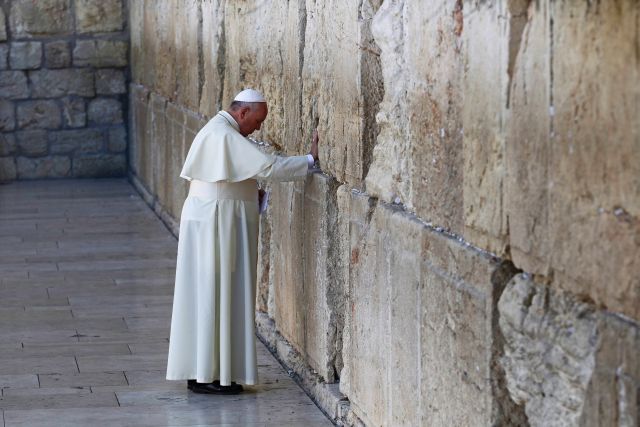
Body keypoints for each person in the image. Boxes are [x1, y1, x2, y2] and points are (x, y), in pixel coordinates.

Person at [165, 89, 319, 394]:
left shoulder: (220, 131)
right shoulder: (224, 134)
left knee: (212, 294)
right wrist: (310, 159)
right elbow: (269, 166)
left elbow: (230, 176)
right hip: (217, 223)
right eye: (258, 121)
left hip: (215, 219)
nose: (258, 128)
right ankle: (208, 376)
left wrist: (251, 192)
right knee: (214, 293)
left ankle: (206, 372)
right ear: (243, 112)